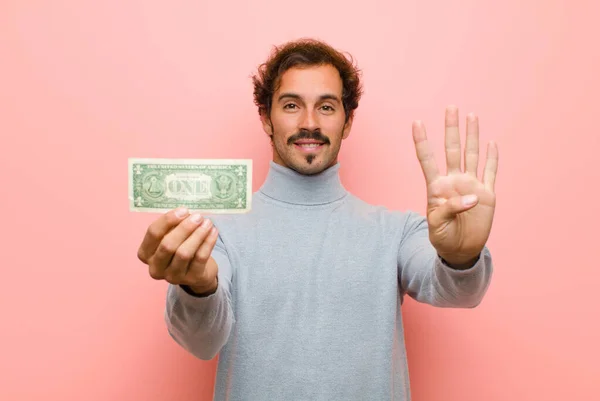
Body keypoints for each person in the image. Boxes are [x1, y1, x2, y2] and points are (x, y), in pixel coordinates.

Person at [136, 38, 498, 401]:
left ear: (347, 121)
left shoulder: (397, 232)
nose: (309, 123)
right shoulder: (217, 234)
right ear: (266, 118)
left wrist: (461, 257)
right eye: (291, 105)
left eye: (326, 106)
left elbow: (458, 292)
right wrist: (198, 288)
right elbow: (201, 342)